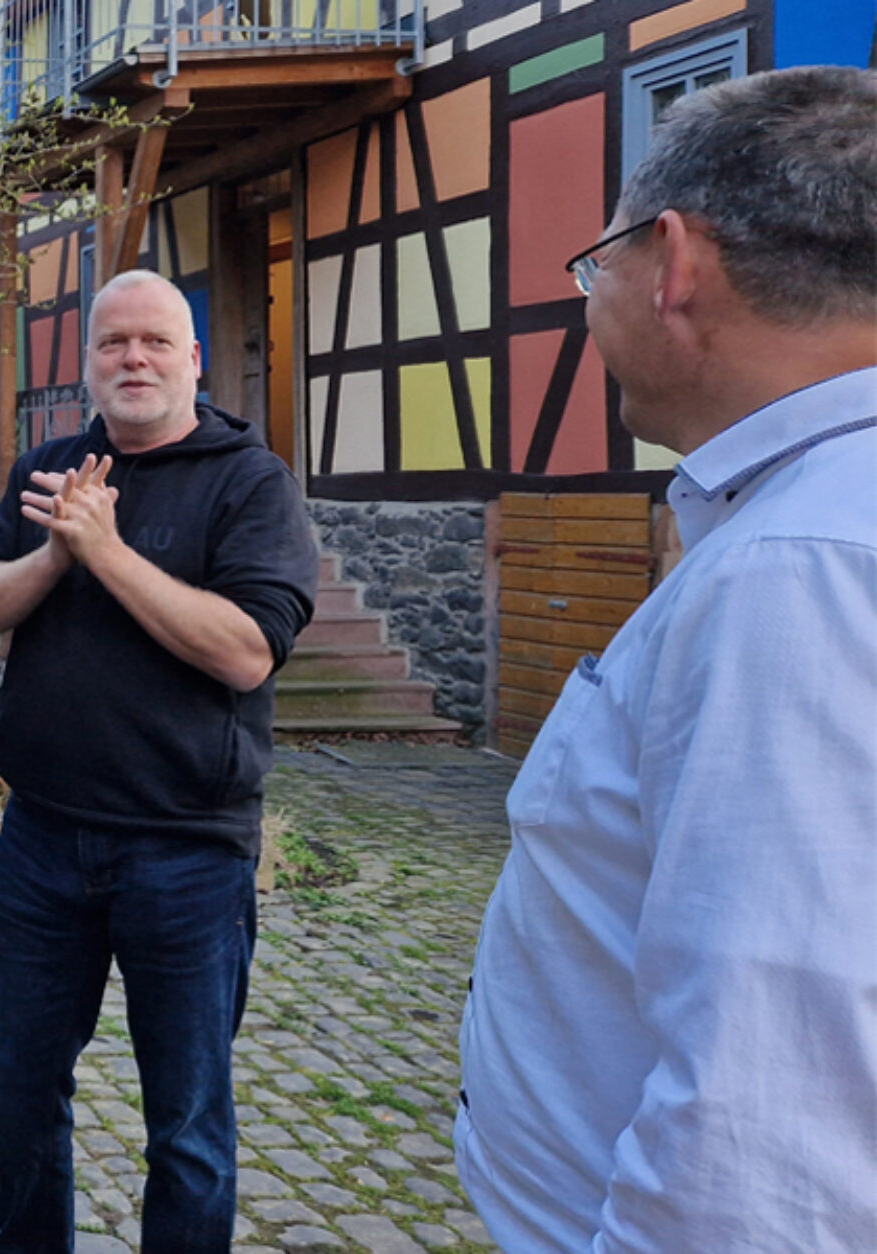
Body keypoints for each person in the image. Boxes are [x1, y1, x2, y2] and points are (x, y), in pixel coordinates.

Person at [457, 67, 877, 1252]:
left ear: (674, 264)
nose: (592, 308)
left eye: (595, 270)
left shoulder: (799, 568)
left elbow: (769, 1128)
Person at [0, 269, 317, 1254]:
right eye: (113, 343)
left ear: (193, 359)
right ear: (89, 364)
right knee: (20, 1089)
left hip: (187, 851)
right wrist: (54, 555)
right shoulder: (54, 468)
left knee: (187, 1123)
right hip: (43, 836)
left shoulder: (251, 483)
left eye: (156, 341)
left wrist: (105, 552)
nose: (134, 359)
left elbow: (245, 650)